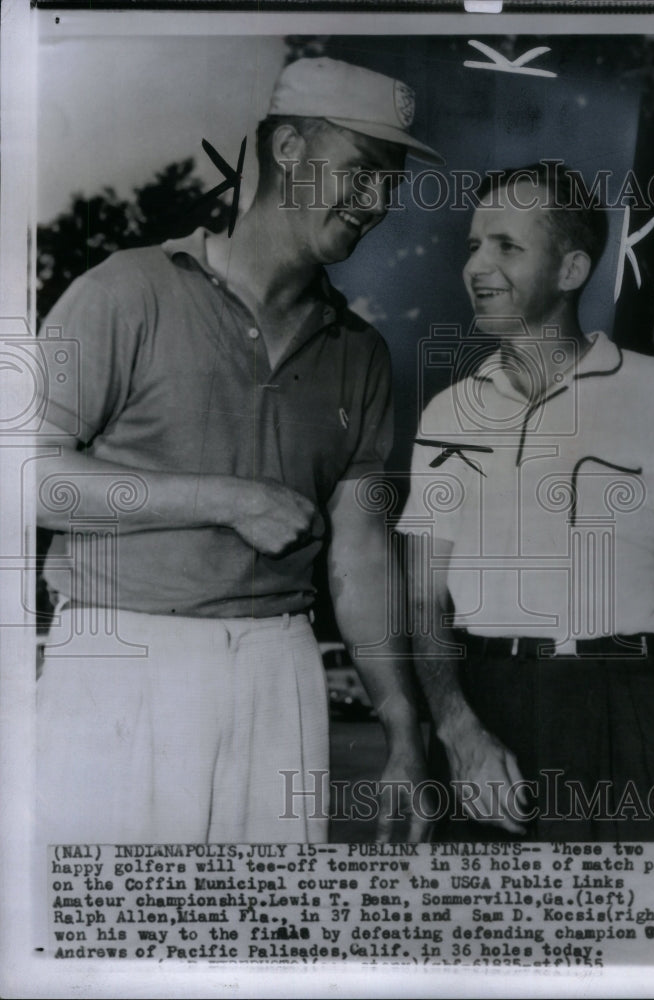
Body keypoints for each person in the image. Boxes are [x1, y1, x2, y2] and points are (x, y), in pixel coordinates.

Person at [36, 57, 443, 845]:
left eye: (392, 181)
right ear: (288, 149)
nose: (379, 201)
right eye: (362, 171)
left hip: (280, 667)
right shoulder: (127, 290)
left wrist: (402, 727)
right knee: (106, 941)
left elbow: (358, 560)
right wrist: (227, 498)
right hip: (123, 654)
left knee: (262, 945)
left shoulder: (359, 352)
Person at [397, 162, 654, 842]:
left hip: (631, 706)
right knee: (489, 944)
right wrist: (458, 729)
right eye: (473, 245)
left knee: (645, 935)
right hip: (491, 712)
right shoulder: (449, 412)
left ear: (571, 270)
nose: (479, 265)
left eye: (507, 245)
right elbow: (420, 602)